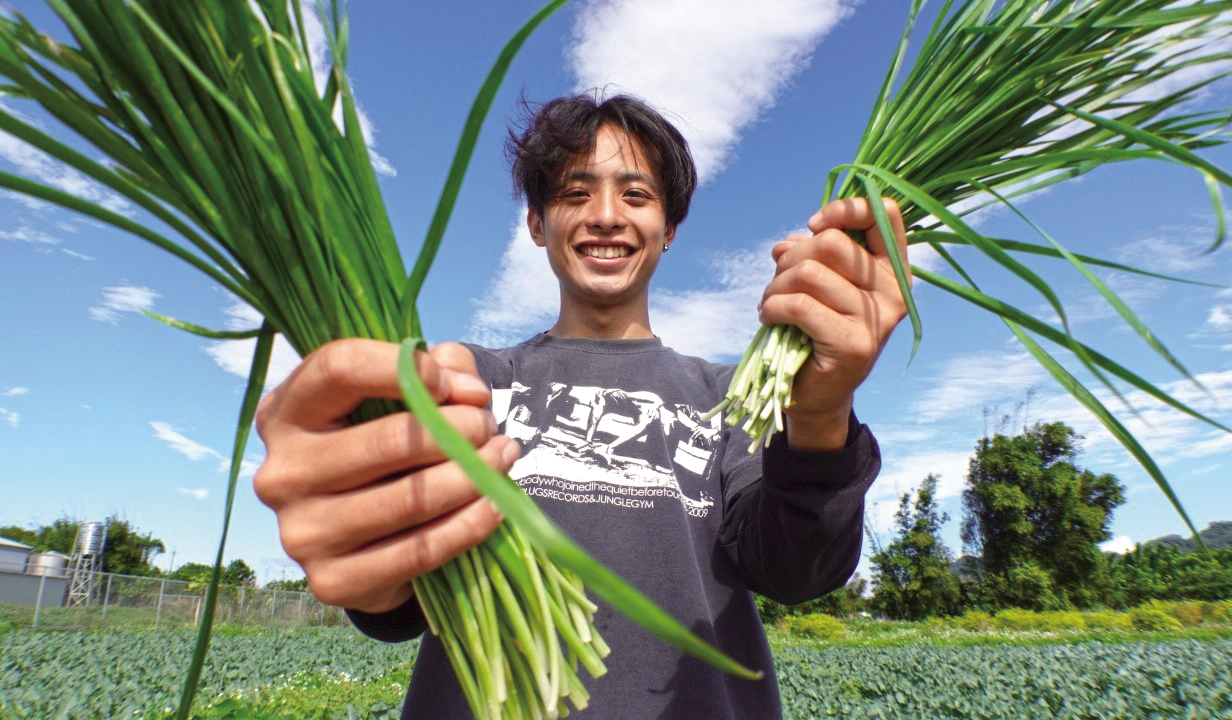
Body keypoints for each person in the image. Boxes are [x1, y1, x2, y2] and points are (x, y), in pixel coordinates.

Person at [252, 93, 909, 719]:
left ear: (669, 229)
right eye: (574, 193)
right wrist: (364, 537)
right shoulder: (467, 380)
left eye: (636, 194)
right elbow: (400, 594)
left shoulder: (730, 398)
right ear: (537, 225)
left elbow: (794, 566)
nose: (605, 215)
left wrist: (821, 412)